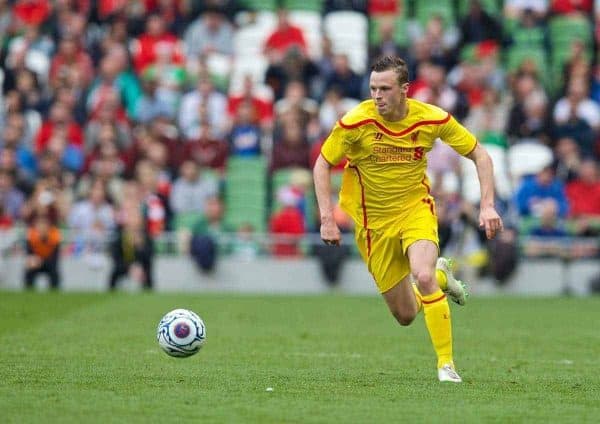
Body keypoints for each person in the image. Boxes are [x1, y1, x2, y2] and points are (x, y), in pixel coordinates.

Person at [313, 56, 503, 383]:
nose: (377, 95)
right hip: (373, 226)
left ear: (404, 90)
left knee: (422, 274)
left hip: (416, 209)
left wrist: (487, 205)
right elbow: (321, 164)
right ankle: (444, 278)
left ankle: (446, 365)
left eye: (385, 88)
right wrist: (327, 218)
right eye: (373, 88)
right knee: (405, 315)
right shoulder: (355, 122)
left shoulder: (431, 118)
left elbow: (480, 154)